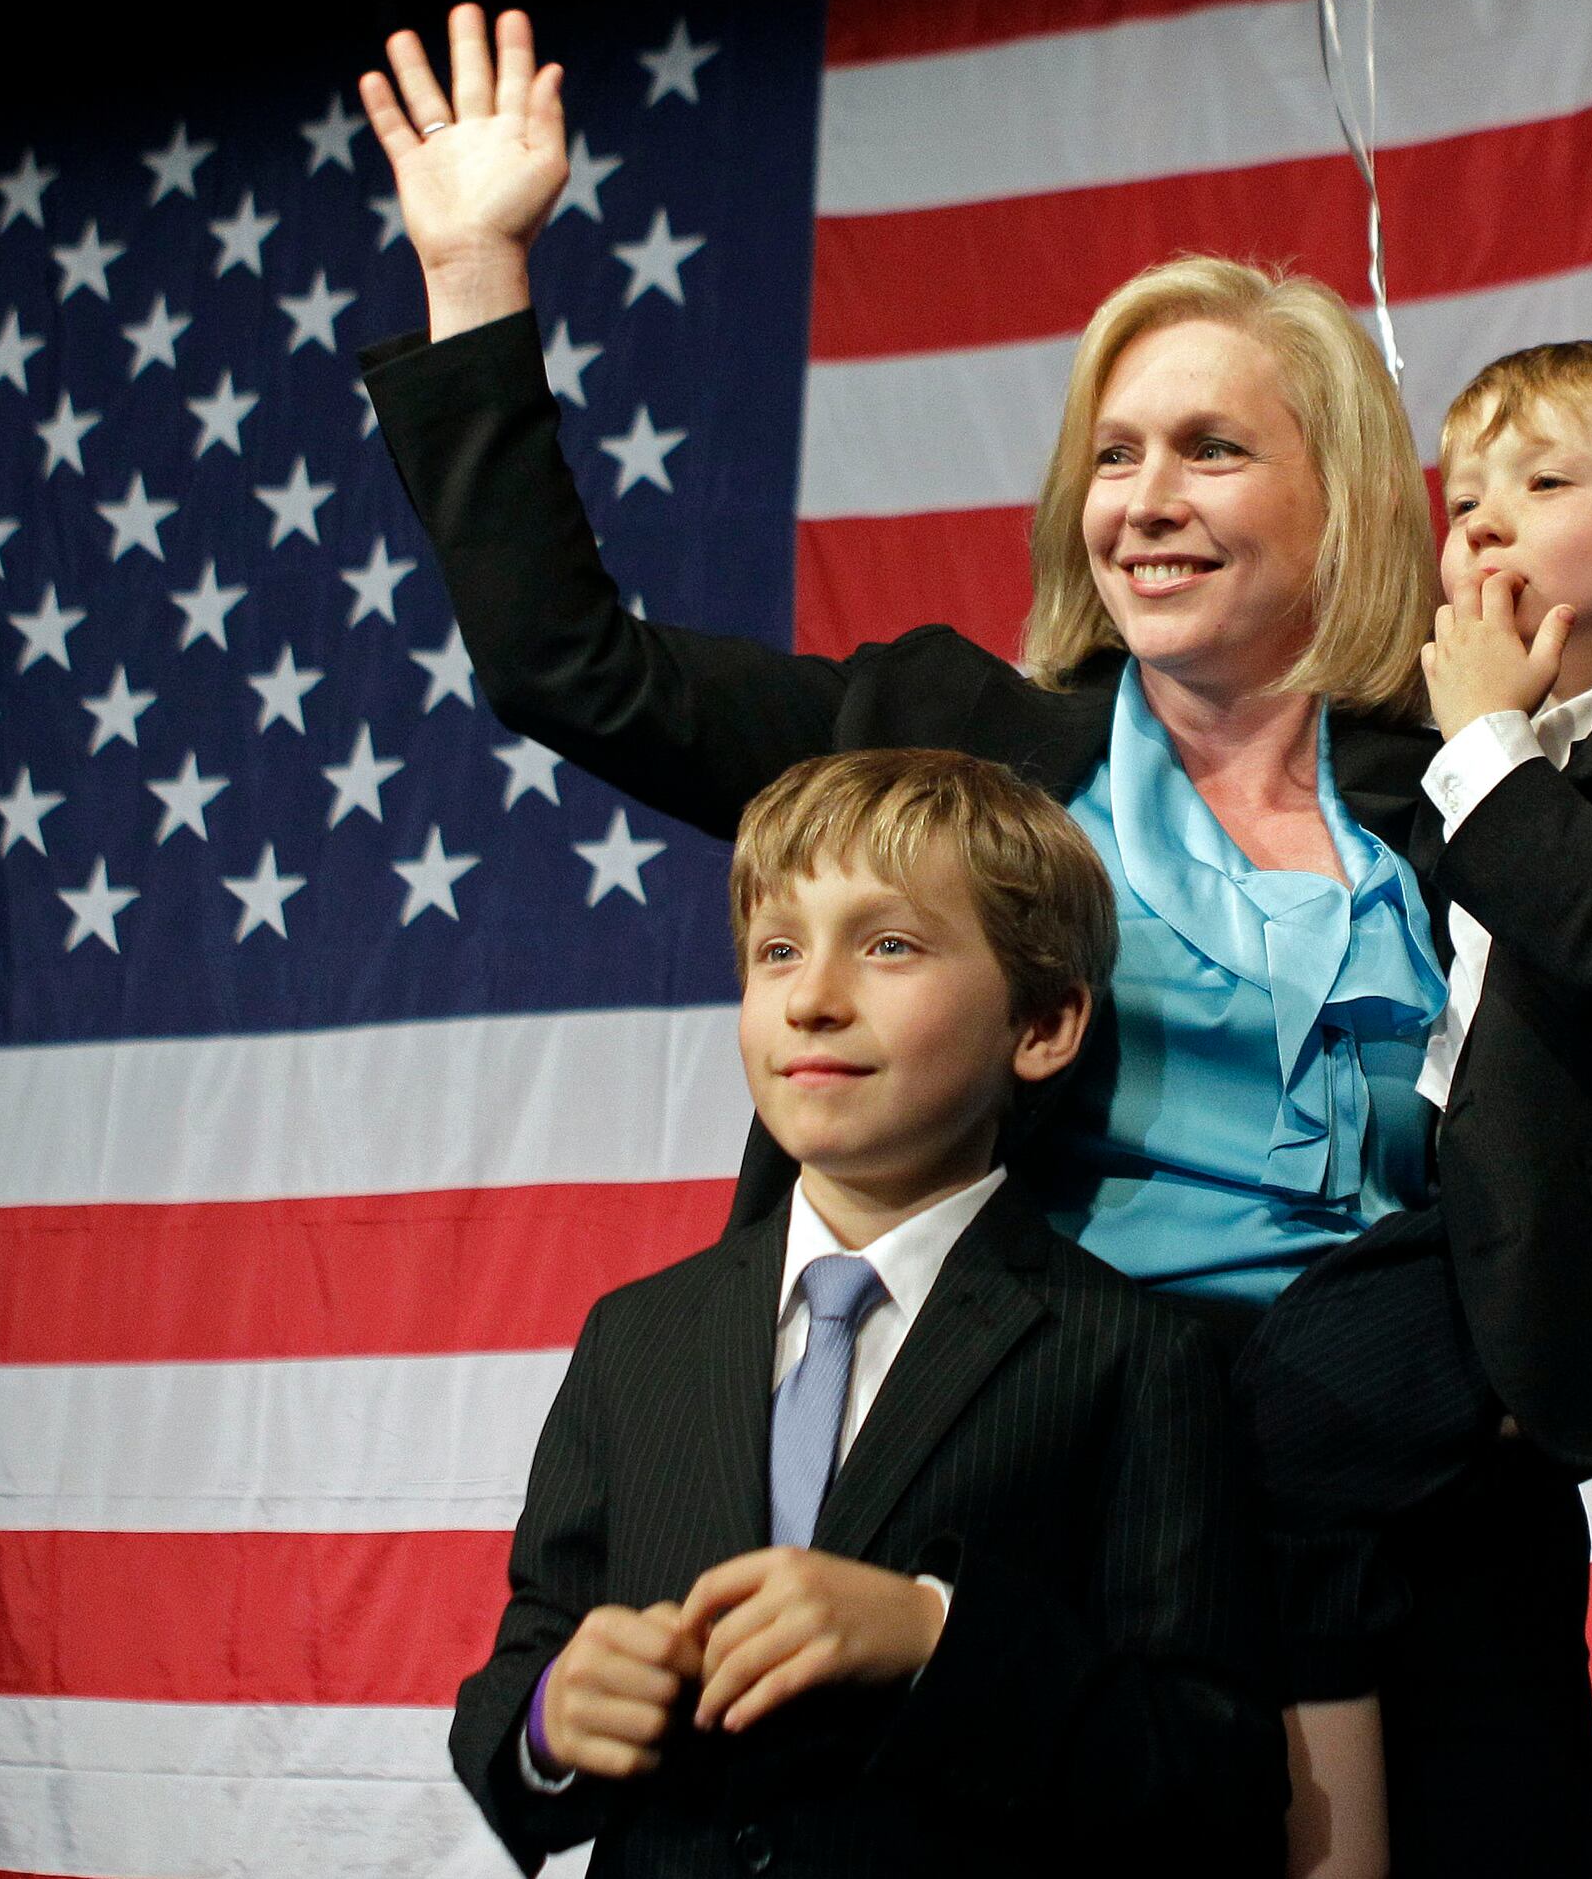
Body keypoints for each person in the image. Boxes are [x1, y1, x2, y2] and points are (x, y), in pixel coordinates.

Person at [357, 21, 1592, 1878]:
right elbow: (571, 665)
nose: (1145, 497)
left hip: (1411, 1529)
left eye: (1209, 448)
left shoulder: (1467, 781)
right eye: (1114, 452)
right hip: (1062, 1511)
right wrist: (476, 271)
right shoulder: (952, 738)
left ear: (1338, 493)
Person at [448, 747, 1277, 1875]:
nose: (812, 996)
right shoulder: (635, 1335)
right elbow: (528, 1659)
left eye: (888, 945)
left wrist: (936, 1635)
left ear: (1041, 1024)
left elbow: (1208, 1776)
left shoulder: (1134, 1357)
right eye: (776, 949)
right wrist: (549, 1720)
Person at [1242, 342, 1592, 1843]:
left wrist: (1487, 741)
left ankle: (1335, 1825)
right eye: (1469, 494)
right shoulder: (1542, 746)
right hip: (1469, 1235)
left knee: (1279, 1417)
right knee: (1294, 1426)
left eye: (1546, 482)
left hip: (1573, 1284)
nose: (1484, 521)